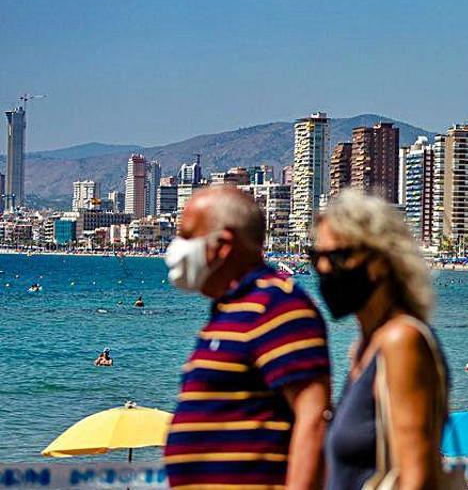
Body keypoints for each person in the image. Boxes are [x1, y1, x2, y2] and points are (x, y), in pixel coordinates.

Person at [163, 186, 330, 489]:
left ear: (223, 245)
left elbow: (314, 418)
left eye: (187, 236)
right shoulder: (231, 311)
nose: (175, 248)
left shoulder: (277, 305)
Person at [316, 189, 452, 489]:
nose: (324, 269)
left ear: (380, 261)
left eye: (338, 257)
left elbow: (416, 475)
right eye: (317, 257)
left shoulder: (402, 341)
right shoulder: (363, 349)